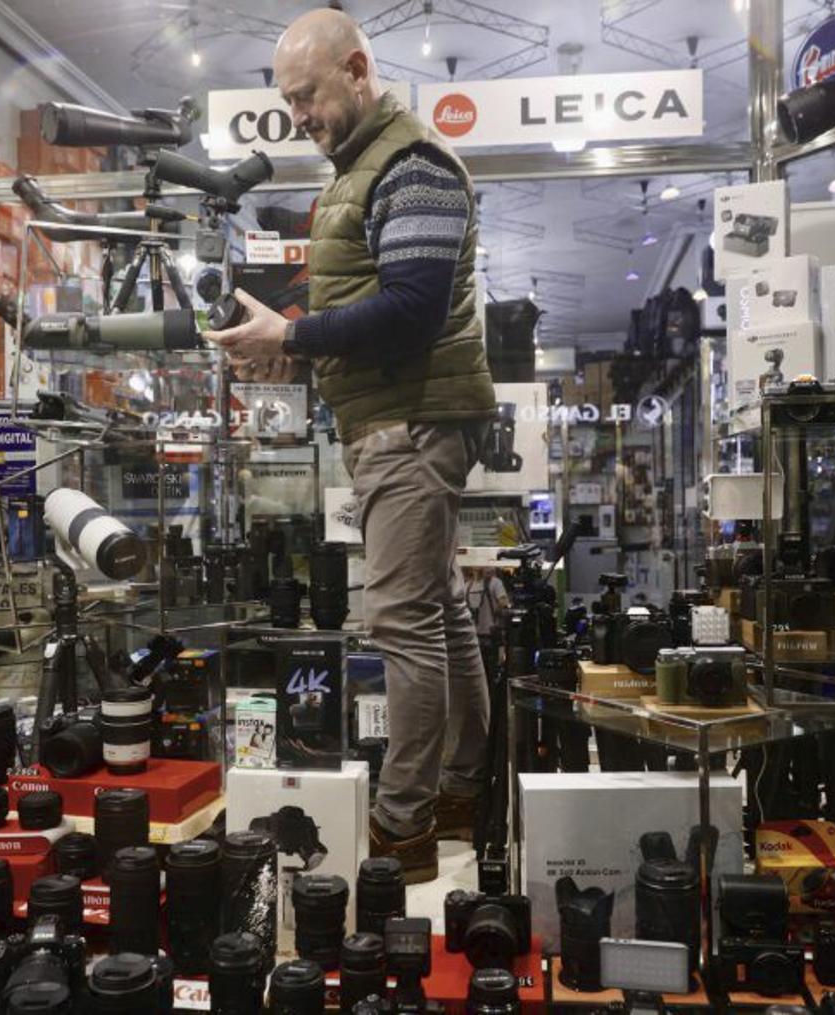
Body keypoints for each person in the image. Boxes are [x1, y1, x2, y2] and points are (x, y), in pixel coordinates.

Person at [204, 7, 496, 883]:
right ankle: (462, 784)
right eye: (288, 101)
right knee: (438, 610)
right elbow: (370, 305)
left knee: (401, 621)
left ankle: (403, 828)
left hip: (414, 421)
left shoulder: (411, 165)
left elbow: (409, 310)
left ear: (358, 68)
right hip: (395, 419)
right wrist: (286, 341)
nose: (298, 115)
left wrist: (289, 338)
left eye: (308, 95)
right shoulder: (364, 169)